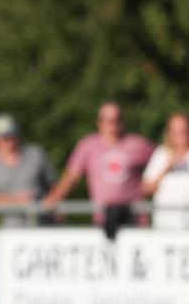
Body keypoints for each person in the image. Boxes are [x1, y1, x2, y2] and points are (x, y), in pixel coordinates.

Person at [43, 102, 155, 238]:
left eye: (115, 120)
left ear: (122, 121)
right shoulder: (88, 146)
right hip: (103, 218)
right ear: (99, 122)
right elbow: (72, 177)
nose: (111, 124)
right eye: (107, 120)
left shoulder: (138, 144)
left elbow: (161, 160)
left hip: (135, 218)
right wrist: (56, 198)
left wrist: (151, 185)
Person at [0, 113, 56, 227]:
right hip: (12, 228)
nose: (10, 140)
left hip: (44, 223)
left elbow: (53, 186)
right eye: (5, 137)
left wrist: (53, 207)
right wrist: (18, 200)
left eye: (13, 135)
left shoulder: (36, 154)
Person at [142, 112, 189, 229]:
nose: (181, 135)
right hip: (165, 224)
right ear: (169, 133)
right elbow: (147, 188)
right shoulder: (161, 153)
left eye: (184, 130)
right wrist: (166, 169)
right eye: (176, 131)